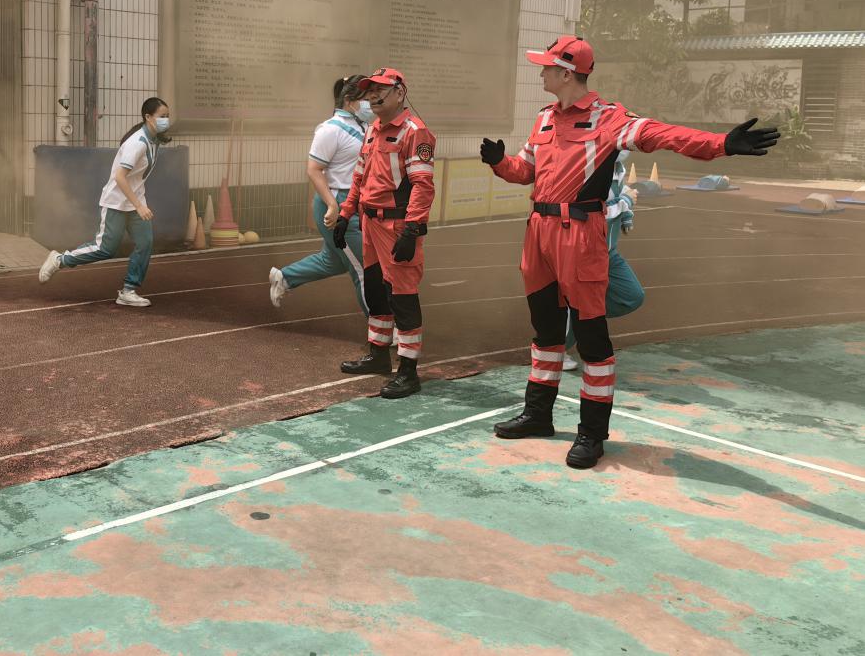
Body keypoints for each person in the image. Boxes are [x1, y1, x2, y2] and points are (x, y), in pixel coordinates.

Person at [481, 35, 779, 468]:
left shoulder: (609, 119)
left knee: (592, 339)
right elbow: (525, 170)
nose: (541, 72)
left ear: (566, 73)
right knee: (545, 331)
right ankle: (538, 415)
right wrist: (499, 162)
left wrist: (720, 144)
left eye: (546, 67)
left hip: (580, 235)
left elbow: (664, 135)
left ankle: (591, 434)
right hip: (538, 233)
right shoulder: (544, 118)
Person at [333, 68, 437, 399]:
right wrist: (345, 214)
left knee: (402, 297)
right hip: (369, 224)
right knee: (376, 292)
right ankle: (378, 355)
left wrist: (413, 228)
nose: (373, 96)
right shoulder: (373, 129)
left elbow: (422, 185)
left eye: (380, 89)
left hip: (397, 226)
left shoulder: (415, 132)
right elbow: (359, 175)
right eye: (369, 91)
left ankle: (408, 371)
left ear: (400, 92)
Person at [38, 97, 171, 308]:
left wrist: (138, 203)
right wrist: (139, 206)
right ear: (148, 117)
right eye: (162, 116)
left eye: (168, 116)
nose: (166, 120)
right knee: (105, 249)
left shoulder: (154, 140)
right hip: (117, 202)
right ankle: (59, 260)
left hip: (135, 200)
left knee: (145, 243)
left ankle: (128, 290)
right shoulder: (137, 143)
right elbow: (120, 177)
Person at [269, 74, 374, 314]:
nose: (371, 104)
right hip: (337, 202)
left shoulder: (364, 126)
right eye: (367, 99)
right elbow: (314, 169)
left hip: (357, 202)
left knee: (333, 261)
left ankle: (284, 278)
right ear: (350, 100)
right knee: (365, 268)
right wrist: (332, 205)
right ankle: (381, 327)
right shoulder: (330, 129)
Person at [560, 152, 643, 371]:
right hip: (585, 251)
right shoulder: (590, 169)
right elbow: (593, 212)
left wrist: (626, 214)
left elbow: (620, 191)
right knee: (576, 304)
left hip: (608, 252)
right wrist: (625, 203)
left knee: (632, 296)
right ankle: (558, 350)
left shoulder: (618, 167)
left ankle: (584, 318)